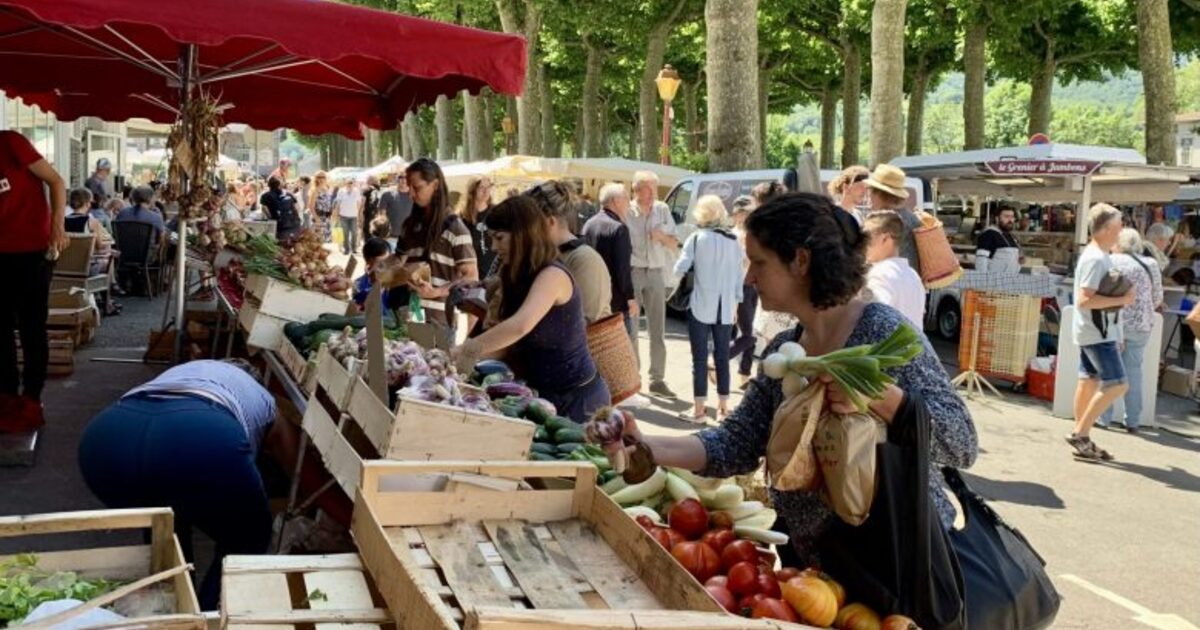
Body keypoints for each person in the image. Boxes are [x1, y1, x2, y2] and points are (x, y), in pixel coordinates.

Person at [600, 192, 977, 566]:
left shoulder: (884, 332)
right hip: (815, 566)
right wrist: (645, 444)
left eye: (759, 263)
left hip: (897, 561)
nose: (748, 277)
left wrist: (878, 397)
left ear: (800, 261)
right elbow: (737, 441)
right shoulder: (786, 347)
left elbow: (961, 442)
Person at [77, 360, 299, 609]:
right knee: (247, 538)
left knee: (164, 524)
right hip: (202, 435)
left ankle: (170, 609)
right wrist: (300, 495)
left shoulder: (187, 370)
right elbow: (287, 445)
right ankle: (207, 617)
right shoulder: (262, 396)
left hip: (107, 438)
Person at [453, 197, 610, 421]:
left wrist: (467, 350)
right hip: (540, 396)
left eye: (500, 238)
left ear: (523, 234)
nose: (494, 247)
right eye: (492, 239)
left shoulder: (553, 275)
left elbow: (519, 326)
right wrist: (461, 365)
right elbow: (508, 344)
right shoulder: (513, 275)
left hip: (577, 400)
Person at [0, 131, 68, 431]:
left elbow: (56, 180)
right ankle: (5, 395)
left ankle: (31, 397)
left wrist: (57, 227)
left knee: (31, 325)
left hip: (30, 250)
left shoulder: (10, 143)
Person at [1067, 203, 1135, 461]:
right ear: (1106, 228)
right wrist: (1125, 299)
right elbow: (1085, 300)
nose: (1121, 230)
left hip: (1092, 330)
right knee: (1118, 384)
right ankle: (1081, 433)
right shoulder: (1097, 258)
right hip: (1098, 331)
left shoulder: (1096, 254)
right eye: (1118, 226)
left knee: (1089, 381)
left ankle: (1081, 435)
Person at [673, 195, 744, 423]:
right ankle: (723, 408)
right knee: (722, 358)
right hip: (725, 308)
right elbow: (738, 277)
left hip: (701, 305)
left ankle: (699, 411)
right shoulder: (733, 240)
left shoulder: (696, 239)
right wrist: (735, 305)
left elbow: (679, 268)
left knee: (700, 359)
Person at [399, 158, 479, 331]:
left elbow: (470, 277)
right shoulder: (410, 226)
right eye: (409, 187)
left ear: (435, 185)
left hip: (440, 324)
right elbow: (398, 262)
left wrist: (436, 292)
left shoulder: (456, 228)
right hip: (408, 319)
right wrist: (382, 268)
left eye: (417, 187)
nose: (411, 194)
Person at [1097, 228, 1163, 433]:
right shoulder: (1151, 264)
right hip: (1141, 325)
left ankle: (1103, 418)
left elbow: (1100, 292)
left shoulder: (1111, 261)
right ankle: (1132, 421)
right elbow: (1158, 298)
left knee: (1109, 372)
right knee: (1133, 372)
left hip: (1114, 323)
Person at [528, 180, 612, 323]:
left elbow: (587, 319)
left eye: (529, 223)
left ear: (550, 222)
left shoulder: (585, 259)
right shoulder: (546, 255)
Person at [627, 170, 679, 398]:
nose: (654, 194)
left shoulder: (662, 209)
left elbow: (674, 243)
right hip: (633, 272)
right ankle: (632, 379)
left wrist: (662, 237)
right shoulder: (626, 211)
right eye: (650, 189)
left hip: (656, 272)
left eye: (654, 189)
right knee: (631, 328)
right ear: (637, 190)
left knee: (657, 328)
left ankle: (657, 379)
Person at [583, 183, 638, 339]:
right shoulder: (619, 228)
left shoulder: (588, 224)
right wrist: (630, 297)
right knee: (620, 353)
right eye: (627, 198)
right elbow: (622, 269)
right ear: (616, 201)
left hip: (592, 297)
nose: (629, 203)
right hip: (615, 302)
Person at [863, 211, 925, 329]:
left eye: (867, 238)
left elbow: (876, 323)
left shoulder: (880, 274)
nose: (863, 244)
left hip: (891, 347)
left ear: (885, 238)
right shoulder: (913, 275)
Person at [864, 163, 921, 274]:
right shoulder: (912, 218)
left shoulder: (883, 221)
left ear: (880, 193)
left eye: (870, 191)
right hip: (911, 281)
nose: (868, 196)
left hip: (888, 281)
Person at [728, 196, 759, 389]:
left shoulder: (752, 234)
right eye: (743, 213)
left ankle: (744, 375)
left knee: (751, 332)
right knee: (749, 334)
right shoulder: (732, 236)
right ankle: (717, 361)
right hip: (738, 287)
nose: (746, 216)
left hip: (753, 286)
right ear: (736, 214)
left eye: (749, 213)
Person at [458, 176, 496, 275]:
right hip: (470, 272)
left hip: (493, 271)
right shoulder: (463, 217)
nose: (486, 191)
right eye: (481, 188)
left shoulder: (497, 213)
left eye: (488, 187)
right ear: (472, 191)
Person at [975, 205, 1022, 273]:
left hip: (1010, 280)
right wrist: (983, 280)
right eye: (1006, 216)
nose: (1010, 220)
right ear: (997, 218)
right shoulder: (989, 234)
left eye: (1012, 217)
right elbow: (981, 259)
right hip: (993, 281)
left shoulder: (1009, 236)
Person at [353, 237, 392, 310]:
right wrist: (378, 289)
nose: (386, 266)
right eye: (380, 263)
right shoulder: (358, 284)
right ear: (369, 262)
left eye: (388, 261)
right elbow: (361, 309)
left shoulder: (393, 283)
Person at [259, 176, 302, 240]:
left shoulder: (265, 196)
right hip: (295, 224)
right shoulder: (289, 194)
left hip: (279, 226)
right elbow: (298, 208)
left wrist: (273, 218)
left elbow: (265, 210)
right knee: (295, 244)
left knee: (282, 245)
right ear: (280, 185)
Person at [378, 171, 413, 252]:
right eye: (401, 177)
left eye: (406, 177)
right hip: (391, 239)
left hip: (409, 239)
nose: (404, 180)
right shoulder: (387, 195)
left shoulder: (415, 196)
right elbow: (381, 217)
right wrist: (382, 234)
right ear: (397, 179)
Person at [333, 179, 360, 255]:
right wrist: (336, 214)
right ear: (345, 184)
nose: (350, 184)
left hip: (354, 215)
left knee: (354, 233)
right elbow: (338, 203)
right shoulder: (341, 191)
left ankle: (354, 248)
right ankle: (346, 249)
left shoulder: (356, 191)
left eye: (351, 183)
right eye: (348, 183)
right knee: (345, 233)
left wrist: (358, 214)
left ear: (353, 184)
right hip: (343, 215)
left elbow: (359, 203)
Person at [308, 171, 335, 241]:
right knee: (318, 241)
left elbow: (329, 204)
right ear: (315, 179)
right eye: (318, 177)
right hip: (318, 217)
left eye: (323, 177)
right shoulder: (315, 190)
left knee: (326, 241)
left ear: (326, 178)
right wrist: (317, 219)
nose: (321, 179)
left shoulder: (327, 190)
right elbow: (311, 207)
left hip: (327, 218)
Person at [360, 175, 382, 245]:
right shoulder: (380, 190)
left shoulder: (366, 190)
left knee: (367, 235)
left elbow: (362, 205)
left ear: (370, 181)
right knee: (376, 235)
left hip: (368, 216)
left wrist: (359, 216)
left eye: (367, 180)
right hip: (377, 216)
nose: (366, 182)